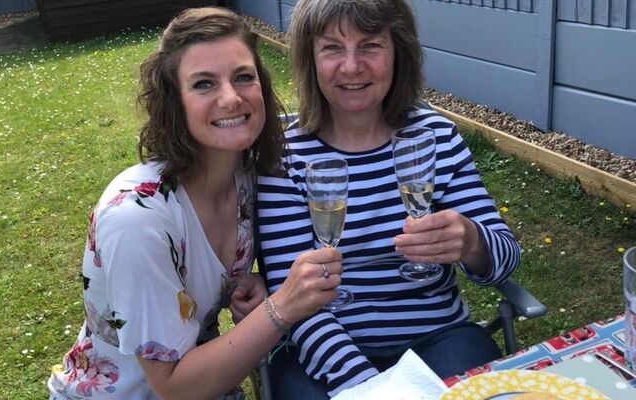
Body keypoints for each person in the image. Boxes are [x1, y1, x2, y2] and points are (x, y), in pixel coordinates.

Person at [47, 7, 343, 400]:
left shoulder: (245, 178)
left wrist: (248, 283)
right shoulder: (137, 219)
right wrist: (281, 306)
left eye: (243, 77)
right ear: (174, 102)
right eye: (203, 84)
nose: (231, 98)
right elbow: (172, 387)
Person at [256, 0, 521, 398]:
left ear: (400, 51)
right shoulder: (284, 157)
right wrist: (372, 387)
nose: (351, 66)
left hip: (438, 336)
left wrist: (470, 241)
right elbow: (291, 299)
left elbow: (504, 259)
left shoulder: (436, 139)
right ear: (310, 60)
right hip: (319, 346)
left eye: (370, 45)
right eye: (331, 48)